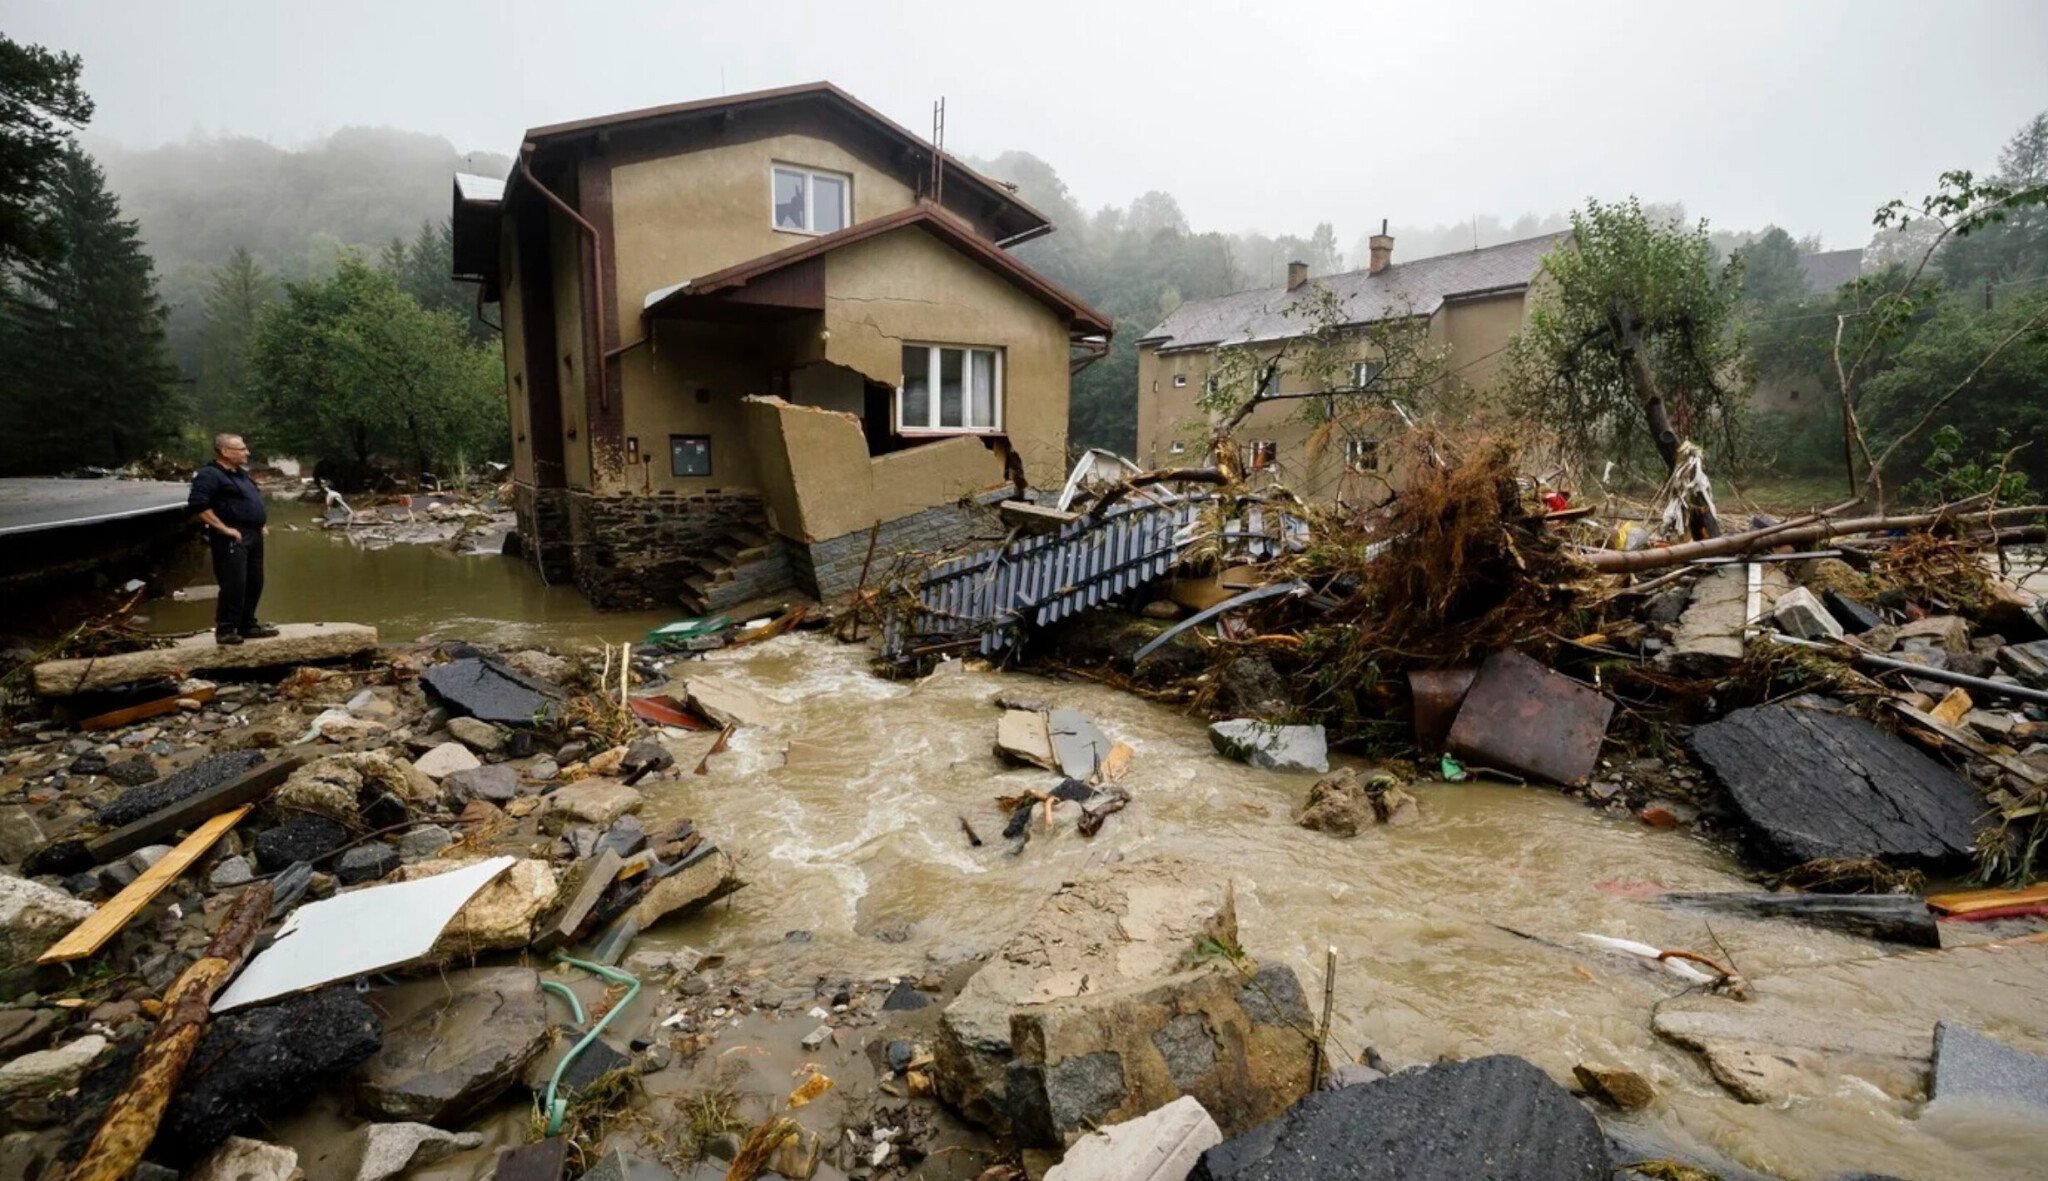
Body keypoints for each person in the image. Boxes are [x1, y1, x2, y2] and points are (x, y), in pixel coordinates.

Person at [188, 433, 279, 645]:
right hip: (231, 536)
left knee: (255, 581)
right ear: (225, 452)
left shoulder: (240, 474)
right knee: (234, 583)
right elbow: (198, 505)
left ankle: (247, 624)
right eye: (241, 449)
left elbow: (249, 500)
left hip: (253, 534)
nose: (247, 452)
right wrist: (224, 529)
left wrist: (260, 523)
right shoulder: (210, 475)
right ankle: (226, 629)